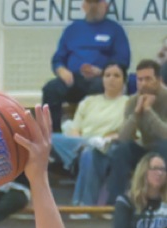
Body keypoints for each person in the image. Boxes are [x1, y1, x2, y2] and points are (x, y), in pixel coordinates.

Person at [42, 0, 130, 133]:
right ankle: (52, 134)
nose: (93, 6)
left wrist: (103, 72)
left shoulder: (115, 30)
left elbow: (123, 60)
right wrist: (62, 70)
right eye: (90, 2)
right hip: (73, 79)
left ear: (105, 6)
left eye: (97, 3)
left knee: (101, 86)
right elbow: (58, 59)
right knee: (50, 89)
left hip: (100, 79)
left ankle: (94, 132)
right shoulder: (72, 29)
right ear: (84, 6)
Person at [50, 63, 128, 206]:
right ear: (102, 79)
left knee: (90, 153)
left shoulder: (128, 103)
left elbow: (129, 134)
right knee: (48, 139)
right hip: (80, 144)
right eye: (107, 75)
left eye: (116, 76)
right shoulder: (88, 102)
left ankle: (83, 205)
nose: (111, 79)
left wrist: (106, 139)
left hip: (107, 148)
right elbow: (75, 130)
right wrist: (83, 142)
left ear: (124, 80)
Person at [107, 59, 167, 204]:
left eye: (148, 79)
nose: (143, 84)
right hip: (145, 149)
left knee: (164, 146)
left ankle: (162, 202)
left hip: (163, 149)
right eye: (140, 80)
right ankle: (117, 203)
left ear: (159, 80)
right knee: (121, 149)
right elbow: (122, 137)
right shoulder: (133, 101)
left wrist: (148, 111)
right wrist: (136, 113)